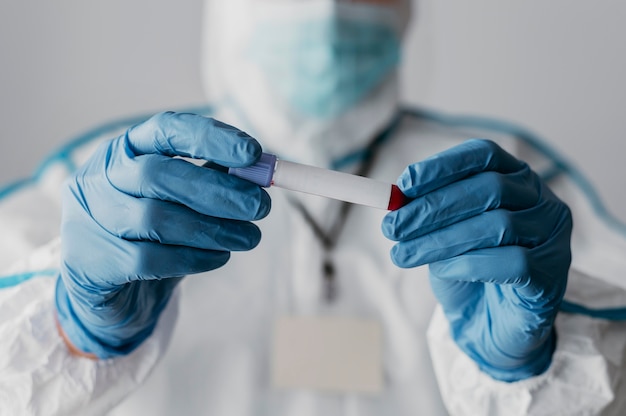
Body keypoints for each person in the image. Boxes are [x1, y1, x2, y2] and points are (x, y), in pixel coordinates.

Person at [1, 0, 626, 415]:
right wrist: (72, 330)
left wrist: (533, 356)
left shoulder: (509, 184)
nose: (327, 8)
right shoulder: (109, 183)